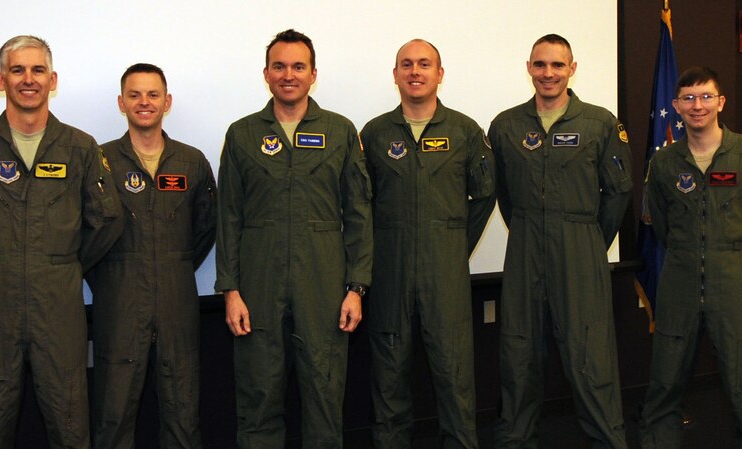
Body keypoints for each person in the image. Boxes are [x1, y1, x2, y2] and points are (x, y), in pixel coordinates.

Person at [0, 35, 123, 448]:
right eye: (18, 70)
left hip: (59, 305)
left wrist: (62, 263)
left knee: (70, 424)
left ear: (53, 80)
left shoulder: (80, 148)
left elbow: (106, 221)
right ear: (1, 80)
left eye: (37, 71)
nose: (28, 79)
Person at [215, 29, 373, 449]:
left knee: (323, 395)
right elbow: (228, 216)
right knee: (258, 394)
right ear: (266, 74)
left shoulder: (340, 131)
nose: (289, 75)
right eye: (279, 66)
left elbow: (358, 214)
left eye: (298, 66)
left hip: (322, 283)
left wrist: (357, 287)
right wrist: (230, 289)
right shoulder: (242, 134)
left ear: (313, 74)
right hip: (257, 286)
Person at [489, 34, 632, 448]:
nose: (548, 73)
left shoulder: (600, 122)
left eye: (557, 65)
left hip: (580, 247)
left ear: (572, 69)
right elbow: (504, 194)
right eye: (540, 65)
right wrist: (531, 231)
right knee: (518, 356)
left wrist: (586, 239)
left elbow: (619, 193)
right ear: (529, 68)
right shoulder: (505, 125)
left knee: (591, 358)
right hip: (525, 249)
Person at [640, 66, 742, 449]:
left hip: (735, 279)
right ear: (675, 106)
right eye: (688, 98)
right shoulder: (665, 162)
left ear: (721, 102)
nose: (697, 105)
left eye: (706, 96)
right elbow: (660, 221)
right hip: (680, 279)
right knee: (665, 381)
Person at [359, 39, 495, 449]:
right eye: (406, 64)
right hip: (389, 273)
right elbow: (360, 203)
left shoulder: (464, 131)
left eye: (424, 64)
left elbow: (484, 194)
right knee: (388, 381)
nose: (415, 71)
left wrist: (454, 242)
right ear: (395, 74)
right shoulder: (375, 132)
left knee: (455, 380)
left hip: (445, 275)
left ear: (439, 73)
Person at [87, 63, 216, 449]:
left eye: (153, 94)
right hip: (119, 306)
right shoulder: (99, 161)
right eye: (135, 95)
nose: (145, 102)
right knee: (113, 414)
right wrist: (116, 275)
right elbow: (86, 235)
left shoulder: (192, 162)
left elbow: (205, 229)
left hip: (177, 303)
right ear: (121, 103)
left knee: (182, 414)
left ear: (167, 102)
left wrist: (171, 266)